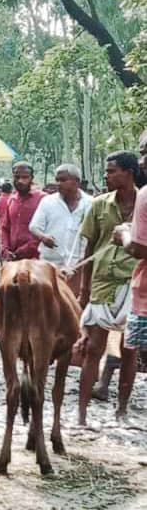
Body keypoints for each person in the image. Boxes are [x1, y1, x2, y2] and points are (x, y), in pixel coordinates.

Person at [74, 152, 143, 426]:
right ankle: (81, 413)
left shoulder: (145, 204)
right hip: (103, 283)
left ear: (129, 172)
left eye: (112, 171)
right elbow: (88, 248)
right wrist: (84, 288)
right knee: (93, 348)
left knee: (130, 350)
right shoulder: (99, 205)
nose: (106, 176)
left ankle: (122, 411)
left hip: (134, 284)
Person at [115, 170, 147, 423]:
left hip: (144, 296)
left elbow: (139, 249)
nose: (142, 161)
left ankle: (122, 409)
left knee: (133, 348)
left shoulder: (145, 195)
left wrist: (124, 235)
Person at [29, 164, 92, 274]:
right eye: (57, 180)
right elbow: (34, 226)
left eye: (63, 180)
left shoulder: (91, 203)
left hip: (79, 265)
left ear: (77, 181)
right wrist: (43, 237)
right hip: (50, 265)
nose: (58, 184)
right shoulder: (47, 201)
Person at [0, 164, 45, 261]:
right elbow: (5, 228)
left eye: (25, 177)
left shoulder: (43, 199)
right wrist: (5, 249)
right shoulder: (11, 200)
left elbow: (46, 230)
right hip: (13, 258)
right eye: (17, 177)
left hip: (35, 259)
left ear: (31, 178)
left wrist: (24, 250)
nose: (20, 181)